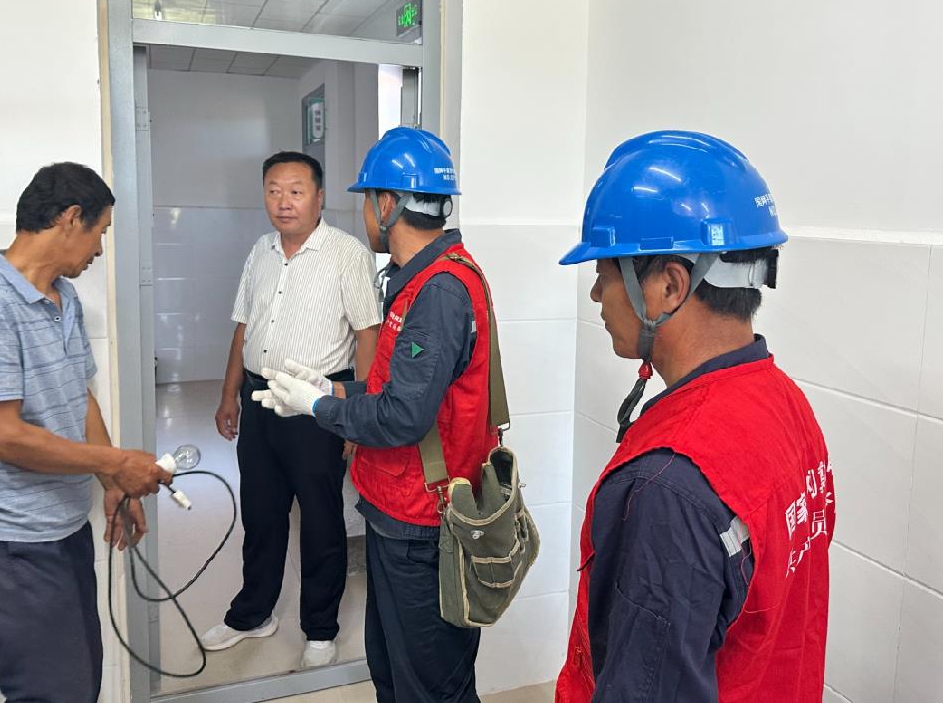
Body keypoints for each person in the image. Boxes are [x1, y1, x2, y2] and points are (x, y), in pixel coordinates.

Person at [554, 131, 835, 702]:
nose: (597, 295)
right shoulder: (786, 404)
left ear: (669, 285)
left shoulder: (669, 488)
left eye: (605, 272)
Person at [254, 128, 497, 702]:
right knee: (392, 671)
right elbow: (400, 388)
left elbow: (402, 416)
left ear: (386, 204)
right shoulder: (418, 282)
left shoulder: (439, 291)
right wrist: (334, 389)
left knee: (428, 687)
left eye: (367, 199)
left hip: (423, 522)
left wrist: (318, 407)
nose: (365, 212)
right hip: (398, 510)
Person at [0, 162, 172, 703]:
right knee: (53, 692)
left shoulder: (61, 298)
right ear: (71, 218)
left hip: (59, 530)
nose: (100, 250)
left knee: (78, 681)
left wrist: (111, 483)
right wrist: (116, 463)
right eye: (100, 232)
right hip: (8, 542)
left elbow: (77, 395)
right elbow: (3, 437)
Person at [202, 151, 381, 668]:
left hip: (319, 407)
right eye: (274, 190)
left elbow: (367, 335)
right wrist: (229, 394)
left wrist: (358, 416)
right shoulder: (260, 251)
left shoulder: (347, 253)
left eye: (296, 191)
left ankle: (320, 628)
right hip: (259, 401)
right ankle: (253, 613)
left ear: (319, 197)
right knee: (261, 513)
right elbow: (244, 326)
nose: (284, 202)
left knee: (321, 520)